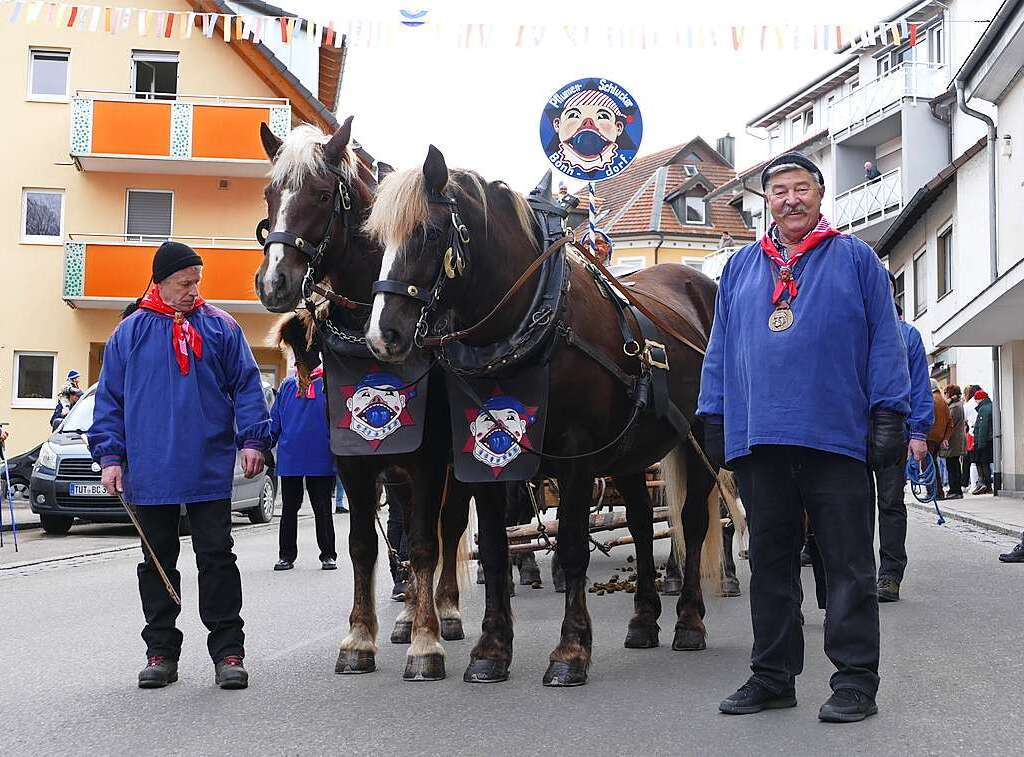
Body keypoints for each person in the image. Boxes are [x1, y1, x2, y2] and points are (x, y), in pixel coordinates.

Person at [699, 152, 910, 723]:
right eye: (779, 192)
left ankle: (855, 682)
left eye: (801, 189)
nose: (791, 199)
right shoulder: (741, 268)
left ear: (821, 195)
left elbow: (885, 340)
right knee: (768, 563)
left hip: (835, 436)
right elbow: (719, 349)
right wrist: (713, 414)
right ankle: (772, 676)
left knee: (847, 566)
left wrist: (890, 410)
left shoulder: (858, 259)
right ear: (767, 202)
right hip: (760, 439)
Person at [90, 241, 272, 691]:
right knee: (157, 564)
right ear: (161, 283)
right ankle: (160, 653)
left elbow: (248, 387)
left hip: (208, 466)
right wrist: (109, 456)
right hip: (149, 470)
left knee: (217, 560)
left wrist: (253, 440)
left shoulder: (221, 328)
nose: (194, 291)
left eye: (197, 282)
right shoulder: (128, 334)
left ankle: (229, 651)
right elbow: (109, 401)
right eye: (184, 283)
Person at [875, 277, 932, 604]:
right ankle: (861, 575)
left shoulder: (908, 334)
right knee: (853, 508)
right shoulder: (854, 329)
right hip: (854, 430)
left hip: (895, 428)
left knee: (891, 504)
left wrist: (919, 433)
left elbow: (921, 387)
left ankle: (890, 575)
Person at [270, 366, 338, 572]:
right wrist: (267, 444)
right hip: (292, 455)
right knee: (290, 508)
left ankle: (328, 554)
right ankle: (286, 555)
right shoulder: (288, 386)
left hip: (320, 453)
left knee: (322, 508)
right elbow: (276, 420)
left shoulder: (328, 385)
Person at [926, 379, 953, 501]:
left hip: (928, 436)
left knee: (928, 465)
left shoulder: (929, 399)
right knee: (934, 464)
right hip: (938, 438)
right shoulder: (943, 401)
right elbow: (950, 423)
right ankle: (938, 491)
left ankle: (933, 492)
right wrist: (945, 438)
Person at [942, 385, 967, 499]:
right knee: (954, 465)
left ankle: (955, 490)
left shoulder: (955, 406)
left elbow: (949, 422)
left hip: (953, 440)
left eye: (946, 392)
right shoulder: (957, 405)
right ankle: (956, 490)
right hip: (955, 439)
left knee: (952, 466)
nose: (945, 395)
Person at [972, 387, 994, 494]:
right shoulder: (989, 406)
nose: (975, 401)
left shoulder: (984, 409)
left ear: (980, 399)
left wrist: (979, 444)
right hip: (988, 439)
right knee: (984, 463)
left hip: (983, 441)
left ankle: (985, 484)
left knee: (982, 462)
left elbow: (983, 427)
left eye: (976, 399)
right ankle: (985, 484)